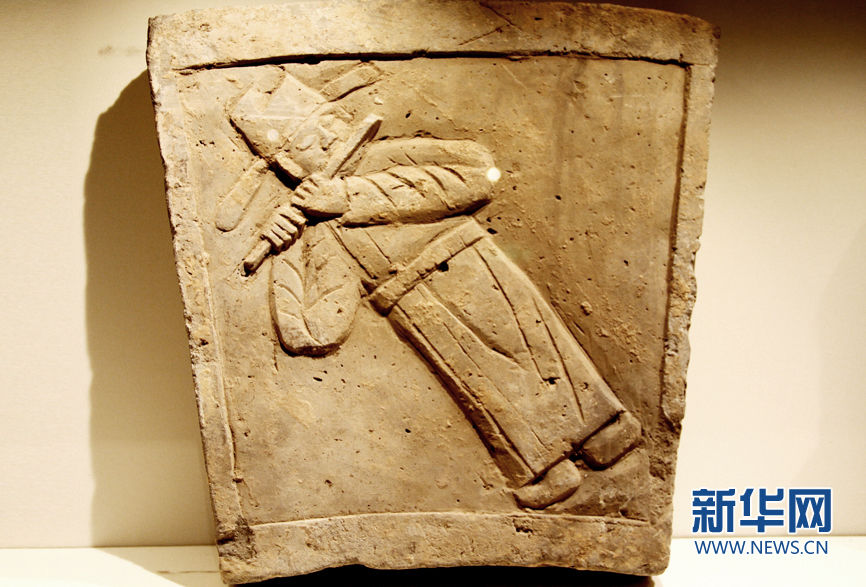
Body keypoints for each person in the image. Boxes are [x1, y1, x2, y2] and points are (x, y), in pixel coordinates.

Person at [220, 67, 641, 509]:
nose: (326, 139)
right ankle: (549, 467)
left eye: (326, 124)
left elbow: (477, 174)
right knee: (485, 387)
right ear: (290, 166)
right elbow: (318, 330)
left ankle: (607, 430)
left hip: (471, 264)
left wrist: (350, 195)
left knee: (536, 347)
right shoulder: (320, 233)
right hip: (414, 308)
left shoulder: (389, 157)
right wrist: (289, 251)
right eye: (307, 142)